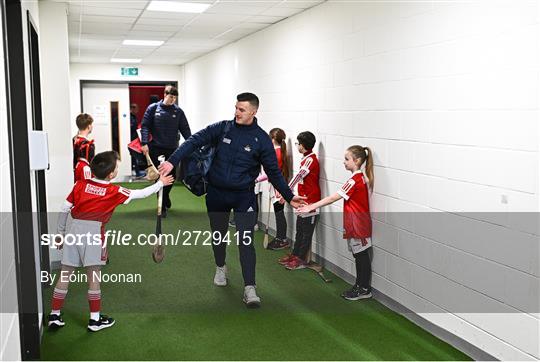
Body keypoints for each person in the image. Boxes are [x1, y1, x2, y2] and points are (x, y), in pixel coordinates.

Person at [159, 92, 305, 307]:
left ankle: (250, 288)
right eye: (236, 108)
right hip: (217, 194)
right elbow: (193, 141)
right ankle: (220, 267)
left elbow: (273, 171)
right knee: (218, 236)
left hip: (243, 196)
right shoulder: (223, 127)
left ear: (254, 112)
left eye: (242, 109)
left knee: (245, 241)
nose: (236, 112)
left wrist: (289, 196)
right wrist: (172, 162)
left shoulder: (261, 139)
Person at [47, 151, 174, 331]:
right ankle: (95, 320)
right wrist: (160, 183)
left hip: (74, 230)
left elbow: (64, 208)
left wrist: (60, 233)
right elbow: (141, 194)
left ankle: (54, 315)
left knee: (65, 274)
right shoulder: (113, 191)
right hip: (94, 234)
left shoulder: (80, 185)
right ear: (112, 174)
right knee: (93, 277)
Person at [297, 145, 374, 300]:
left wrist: (311, 206)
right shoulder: (357, 178)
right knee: (358, 255)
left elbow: (333, 198)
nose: (343, 162)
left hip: (359, 224)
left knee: (361, 256)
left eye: (347, 159)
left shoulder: (356, 180)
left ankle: (364, 288)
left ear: (357, 160)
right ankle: (360, 286)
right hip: (354, 223)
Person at [141, 85, 191, 217]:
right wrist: (144, 143)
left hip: (173, 149)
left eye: (175, 98)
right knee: (159, 177)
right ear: (165, 94)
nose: (172, 100)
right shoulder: (153, 108)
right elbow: (145, 126)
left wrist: (191, 143)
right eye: (170, 97)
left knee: (171, 177)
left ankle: (166, 196)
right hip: (156, 148)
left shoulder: (178, 111)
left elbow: (185, 129)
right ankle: (161, 205)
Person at [277, 131, 321, 269]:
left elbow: (297, 177)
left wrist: (285, 194)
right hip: (303, 201)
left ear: (302, 145)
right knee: (300, 230)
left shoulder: (311, 159)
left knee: (306, 233)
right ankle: (295, 255)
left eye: (297, 143)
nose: (296, 146)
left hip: (311, 202)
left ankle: (301, 259)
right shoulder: (306, 158)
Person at [256, 128, 290, 250]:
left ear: (273, 139)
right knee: (279, 213)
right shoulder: (280, 151)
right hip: (277, 185)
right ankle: (281, 238)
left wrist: (257, 180)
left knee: (279, 213)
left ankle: (282, 239)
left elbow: (271, 173)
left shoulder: (276, 153)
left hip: (277, 187)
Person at [72, 113, 95, 180]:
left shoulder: (73, 140)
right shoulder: (89, 144)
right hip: (85, 172)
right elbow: (91, 163)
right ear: (89, 126)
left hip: (75, 171)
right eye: (91, 124)